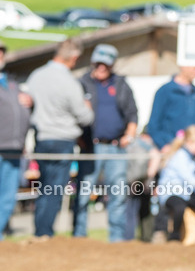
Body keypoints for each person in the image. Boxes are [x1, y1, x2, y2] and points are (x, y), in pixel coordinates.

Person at [25, 39, 94, 238]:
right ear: (73, 57)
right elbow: (85, 117)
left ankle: (40, 230)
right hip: (63, 140)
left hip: (41, 139)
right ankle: (44, 232)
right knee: (54, 189)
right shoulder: (69, 82)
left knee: (44, 187)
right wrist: (88, 108)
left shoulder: (36, 76)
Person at [73, 44, 138, 242]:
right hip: (90, 146)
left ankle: (116, 238)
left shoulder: (120, 84)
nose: (102, 67)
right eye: (99, 63)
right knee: (84, 193)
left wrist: (129, 135)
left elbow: (132, 113)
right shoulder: (82, 83)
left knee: (117, 193)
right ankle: (79, 235)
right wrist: (79, 138)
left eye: (106, 64)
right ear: (93, 62)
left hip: (116, 147)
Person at [156, 125, 195, 243]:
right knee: (179, 207)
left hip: (184, 193)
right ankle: (174, 237)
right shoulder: (180, 157)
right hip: (170, 193)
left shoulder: (190, 157)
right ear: (190, 142)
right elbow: (190, 180)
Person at [0, 39, 33, 240]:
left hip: (13, 148)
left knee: (8, 196)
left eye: (1, 52)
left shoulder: (11, 83)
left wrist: (31, 101)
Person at [148, 66, 195, 150]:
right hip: (170, 147)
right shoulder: (165, 91)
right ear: (183, 66)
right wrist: (163, 145)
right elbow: (154, 124)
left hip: (193, 149)